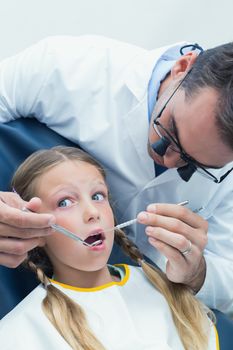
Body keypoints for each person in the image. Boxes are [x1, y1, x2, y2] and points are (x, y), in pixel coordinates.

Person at [0, 35, 232, 314]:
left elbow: (228, 277)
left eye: (194, 165)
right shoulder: (67, 66)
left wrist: (198, 272)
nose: (170, 162)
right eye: (170, 132)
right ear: (182, 67)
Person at [0, 146, 218, 350]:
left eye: (97, 196)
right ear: (32, 228)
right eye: (65, 202)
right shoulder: (20, 332)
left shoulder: (164, 290)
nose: (92, 212)